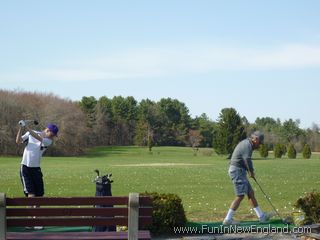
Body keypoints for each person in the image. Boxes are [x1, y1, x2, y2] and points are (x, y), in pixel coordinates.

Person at [223, 131, 273, 225]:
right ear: (256, 139)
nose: (260, 145)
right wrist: (251, 172)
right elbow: (247, 160)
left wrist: (250, 171)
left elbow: (245, 160)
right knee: (240, 195)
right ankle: (228, 219)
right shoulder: (248, 145)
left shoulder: (247, 143)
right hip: (237, 171)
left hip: (239, 170)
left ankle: (261, 217)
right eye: (259, 142)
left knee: (250, 193)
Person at [16, 121, 58, 198]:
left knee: (40, 196)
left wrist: (27, 127)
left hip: (36, 169)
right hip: (25, 167)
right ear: (47, 130)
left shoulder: (49, 141)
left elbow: (38, 137)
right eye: (52, 135)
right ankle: (31, 210)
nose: (52, 137)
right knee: (31, 194)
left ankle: (37, 210)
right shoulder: (31, 133)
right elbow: (18, 141)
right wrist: (21, 128)